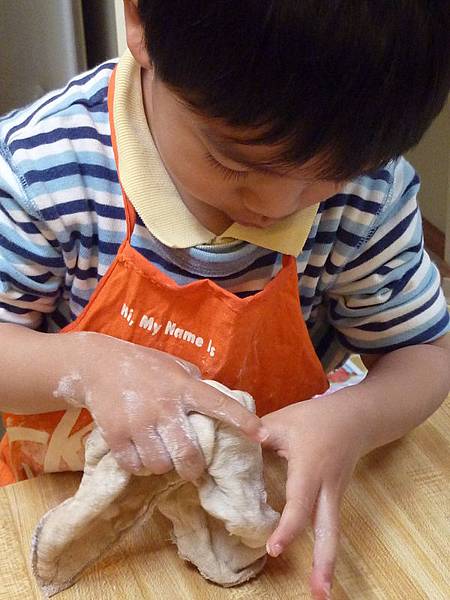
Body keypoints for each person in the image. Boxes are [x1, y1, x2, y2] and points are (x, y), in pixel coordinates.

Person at [0, 1, 449, 597]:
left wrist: (354, 421)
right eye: (233, 162)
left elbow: (427, 354)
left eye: (331, 173)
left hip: (270, 489)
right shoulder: (43, 176)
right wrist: (84, 366)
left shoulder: (366, 197)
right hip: (48, 487)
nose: (277, 205)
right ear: (140, 24)